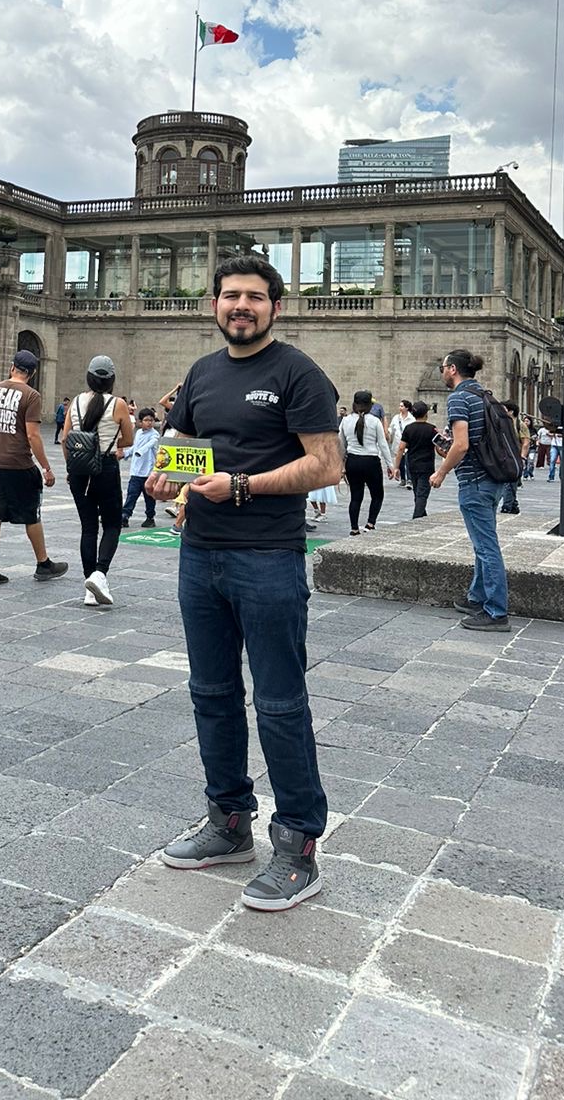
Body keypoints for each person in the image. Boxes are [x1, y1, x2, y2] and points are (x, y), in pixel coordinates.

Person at [149, 256, 342, 913]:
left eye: (255, 298)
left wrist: (242, 486)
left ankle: (297, 846)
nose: (241, 306)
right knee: (211, 692)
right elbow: (186, 439)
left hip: (268, 556)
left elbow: (325, 465)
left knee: (281, 701)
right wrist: (169, 472)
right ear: (214, 304)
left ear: (274, 308)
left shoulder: (297, 373)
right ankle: (229, 821)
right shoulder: (203, 372)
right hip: (200, 555)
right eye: (231, 295)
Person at [0, 349, 67, 588]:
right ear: (32, 373)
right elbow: (34, 435)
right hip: (20, 463)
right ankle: (43, 563)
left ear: (12, 367)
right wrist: (46, 467)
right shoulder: (31, 395)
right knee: (31, 513)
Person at [432, 348, 510, 632]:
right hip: (492, 479)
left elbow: (462, 444)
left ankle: (496, 612)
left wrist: (441, 472)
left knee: (486, 547)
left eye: (443, 366)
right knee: (482, 543)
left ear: (452, 369)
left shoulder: (459, 398)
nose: (441, 371)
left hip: (474, 482)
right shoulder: (485, 395)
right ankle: (477, 598)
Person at [62, 357, 133, 607]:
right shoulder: (118, 404)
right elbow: (129, 439)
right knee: (112, 525)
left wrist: (72, 467)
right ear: (111, 380)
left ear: (89, 378)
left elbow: (65, 439)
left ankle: (89, 588)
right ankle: (100, 574)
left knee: (88, 527)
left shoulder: (76, 402)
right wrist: (112, 445)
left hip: (80, 472)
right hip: (106, 468)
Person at [339, 391, 393, 534]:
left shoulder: (346, 420)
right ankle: (370, 523)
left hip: (353, 461)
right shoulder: (375, 421)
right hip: (371, 461)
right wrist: (390, 465)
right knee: (377, 494)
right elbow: (382, 444)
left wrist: (341, 464)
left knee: (356, 496)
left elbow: (341, 445)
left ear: (354, 404)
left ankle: (354, 528)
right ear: (370, 405)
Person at [393, 401, 436, 519]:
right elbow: (440, 447)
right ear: (426, 414)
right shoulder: (432, 429)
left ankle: (422, 517)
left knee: (418, 493)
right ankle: (416, 518)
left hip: (412, 465)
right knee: (422, 494)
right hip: (427, 466)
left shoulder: (408, 428)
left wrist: (396, 467)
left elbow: (401, 448)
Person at [121, 408, 160, 528]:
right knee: (131, 495)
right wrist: (126, 454)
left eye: (151, 420)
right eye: (146, 420)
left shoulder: (155, 435)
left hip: (148, 472)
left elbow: (149, 445)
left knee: (149, 497)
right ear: (140, 422)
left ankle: (150, 517)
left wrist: (140, 452)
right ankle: (125, 516)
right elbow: (135, 446)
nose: (149, 422)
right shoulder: (138, 433)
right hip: (136, 471)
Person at [497, 400, 528, 514]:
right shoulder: (500, 422)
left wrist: (522, 457)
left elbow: (525, 442)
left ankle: (507, 505)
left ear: (511, 411)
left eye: (504, 409)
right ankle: (513, 504)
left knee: (510, 481)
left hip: (515, 456)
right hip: (503, 455)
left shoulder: (520, 425)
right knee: (509, 481)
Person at [388, 400, 414, 486]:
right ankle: (403, 479)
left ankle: (409, 479)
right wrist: (388, 434)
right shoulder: (396, 418)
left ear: (407, 408)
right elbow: (391, 428)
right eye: (400, 406)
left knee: (408, 461)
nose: (400, 408)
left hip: (408, 444)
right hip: (397, 443)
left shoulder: (412, 419)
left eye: (402, 406)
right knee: (401, 462)